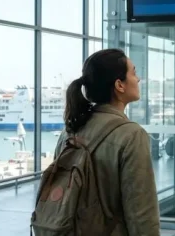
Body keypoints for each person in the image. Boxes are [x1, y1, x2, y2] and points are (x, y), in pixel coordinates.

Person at [57, 49, 160, 235]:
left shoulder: (70, 130)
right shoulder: (131, 135)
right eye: (134, 73)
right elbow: (141, 214)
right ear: (119, 85)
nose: (138, 79)